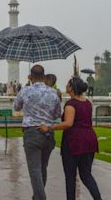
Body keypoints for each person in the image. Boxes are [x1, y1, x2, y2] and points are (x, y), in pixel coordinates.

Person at [38, 77, 102, 200]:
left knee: (70, 176)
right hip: (89, 140)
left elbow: (68, 123)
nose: (66, 85)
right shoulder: (87, 102)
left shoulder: (71, 104)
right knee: (86, 175)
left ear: (71, 88)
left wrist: (49, 127)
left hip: (74, 142)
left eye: (68, 84)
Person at [13, 65, 61, 200]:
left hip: (32, 133)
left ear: (31, 76)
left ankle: (40, 197)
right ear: (44, 76)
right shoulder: (53, 92)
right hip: (48, 134)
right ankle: (37, 196)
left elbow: (16, 107)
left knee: (35, 170)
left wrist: (29, 86)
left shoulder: (25, 91)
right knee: (42, 167)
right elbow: (57, 114)